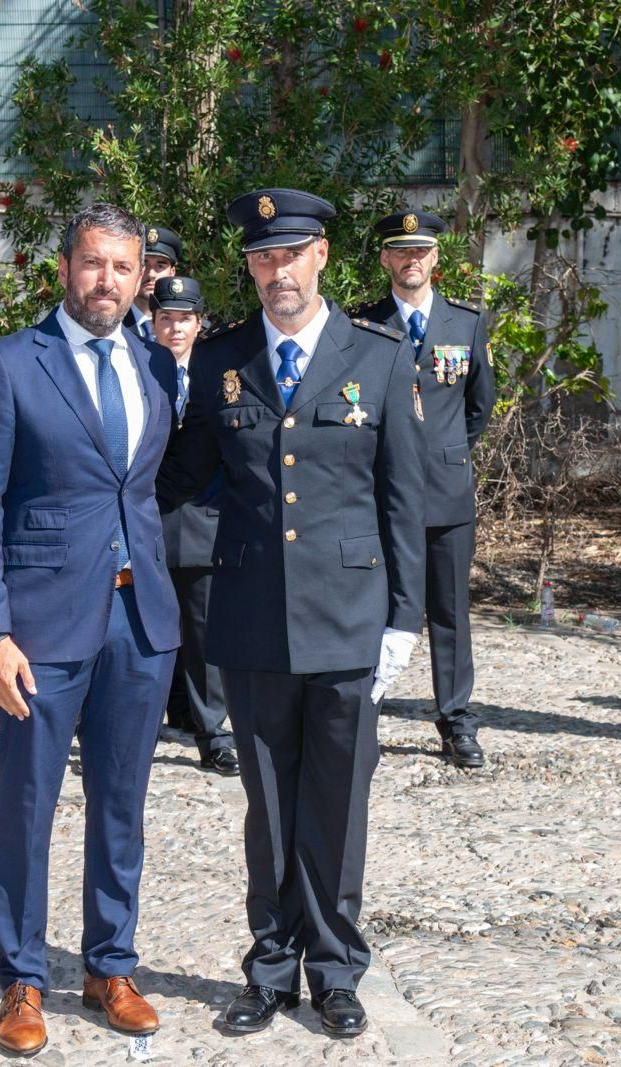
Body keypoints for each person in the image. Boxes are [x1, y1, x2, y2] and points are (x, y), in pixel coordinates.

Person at [157, 188, 426, 1038]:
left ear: (322, 258)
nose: (278, 272)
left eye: (292, 255)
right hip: (251, 615)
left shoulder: (377, 356)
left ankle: (337, 969)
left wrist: (405, 621)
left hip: (349, 616)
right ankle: (271, 965)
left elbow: (401, 500)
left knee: (339, 803)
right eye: (262, 258)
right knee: (269, 803)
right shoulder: (220, 360)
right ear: (249, 267)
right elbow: (177, 479)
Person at [0, 204, 179, 1056]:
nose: (108, 282)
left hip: (138, 619)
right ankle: (20, 977)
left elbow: (151, 487)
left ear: (141, 276)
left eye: (125, 269)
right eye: (94, 264)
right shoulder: (8, 365)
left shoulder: (157, 365)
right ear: (64, 268)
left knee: (121, 804)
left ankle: (109, 964)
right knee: (27, 804)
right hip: (40, 625)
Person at [354, 209, 496, 768]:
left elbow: (478, 406)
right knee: (373, 604)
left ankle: (457, 720)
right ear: (386, 259)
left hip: (445, 493)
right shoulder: (363, 324)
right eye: (400, 251)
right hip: (376, 494)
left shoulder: (465, 323)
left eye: (421, 251)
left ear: (435, 258)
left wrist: (443, 455)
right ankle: (364, 712)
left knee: (449, 611)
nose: (411, 260)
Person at [152, 275, 237, 775]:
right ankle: (138, 727)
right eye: (166, 318)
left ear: (199, 323)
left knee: (205, 635)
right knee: (149, 632)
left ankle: (215, 733)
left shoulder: (220, 373)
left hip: (207, 519)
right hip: (149, 521)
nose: (175, 327)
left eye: (184, 318)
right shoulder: (136, 369)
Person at [126, 225, 180, 343]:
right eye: (144, 264)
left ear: (172, 272)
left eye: (160, 266)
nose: (151, 274)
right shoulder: (110, 325)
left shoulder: (186, 330)